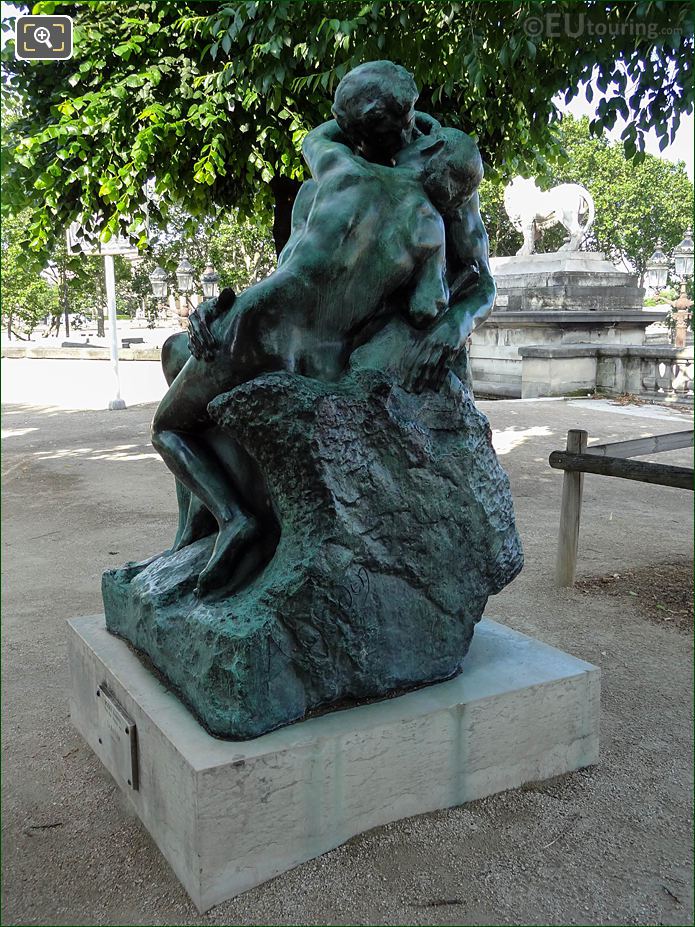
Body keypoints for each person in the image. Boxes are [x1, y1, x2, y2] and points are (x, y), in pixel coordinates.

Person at [152, 118, 482, 597]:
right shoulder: (430, 225)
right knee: (176, 352)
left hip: (264, 333)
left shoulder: (340, 170)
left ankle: (235, 520)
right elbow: (423, 303)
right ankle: (195, 532)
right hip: (312, 352)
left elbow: (318, 142)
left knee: (169, 425)